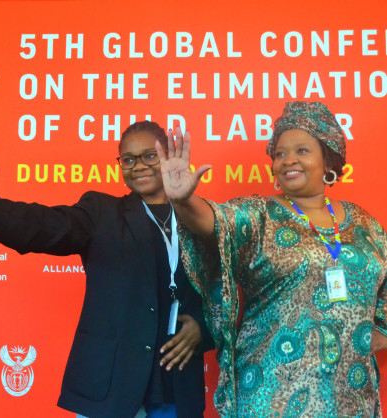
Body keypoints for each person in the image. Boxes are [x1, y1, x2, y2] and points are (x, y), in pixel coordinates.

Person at [0, 121, 213, 418]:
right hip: (110, 385)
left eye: (149, 156)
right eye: (128, 159)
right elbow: (47, 226)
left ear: (167, 155)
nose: (138, 166)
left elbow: (223, 290)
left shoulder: (202, 218)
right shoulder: (101, 213)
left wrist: (203, 329)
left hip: (177, 384)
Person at [156, 102, 387, 416]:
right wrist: (184, 200)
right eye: (280, 154)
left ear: (328, 159)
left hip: (350, 395)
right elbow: (216, 222)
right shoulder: (259, 214)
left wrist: (379, 333)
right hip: (272, 394)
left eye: (302, 151)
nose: (288, 160)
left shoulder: (363, 223)